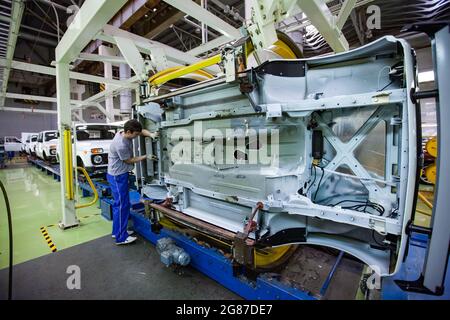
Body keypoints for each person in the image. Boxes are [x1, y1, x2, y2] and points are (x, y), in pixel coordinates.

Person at [107, 119, 158, 245]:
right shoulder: (121, 144)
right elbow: (129, 160)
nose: (136, 137)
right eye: (135, 135)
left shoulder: (124, 132)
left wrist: (151, 134)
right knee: (122, 205)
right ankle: (121, 238)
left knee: (121, 204)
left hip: (118, 174)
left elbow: (140, 132)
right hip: (117, 176)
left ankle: (117, 231)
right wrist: (146, 156)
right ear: (129, 132)